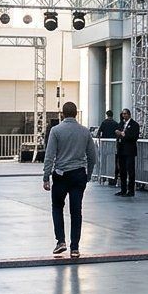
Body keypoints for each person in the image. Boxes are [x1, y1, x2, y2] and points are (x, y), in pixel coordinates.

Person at [43, 101, 97, 258]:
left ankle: (61, 241)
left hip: (61, 175)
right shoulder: (85, 131)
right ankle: (75, 247)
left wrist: (46, 176)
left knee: (57, 207)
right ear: (76, 114)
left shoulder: (56, 130)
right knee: (76, 211)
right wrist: (88, 174)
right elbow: (92, 156)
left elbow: (49, 155)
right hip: (79, 174)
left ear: (62, 114)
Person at [115, 108, 140, 197]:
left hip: (129, 151)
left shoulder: (134, 125)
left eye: (125, 114)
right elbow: (118, 132)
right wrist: (118, 133)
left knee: (130, 171)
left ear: (129, 114)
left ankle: (131, 190)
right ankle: (123, 189)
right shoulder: (121, 124)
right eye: (123, 114)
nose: (124, 115)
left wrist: (123, 134)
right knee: (122, 171)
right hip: (121, 150)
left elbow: (134, 137)